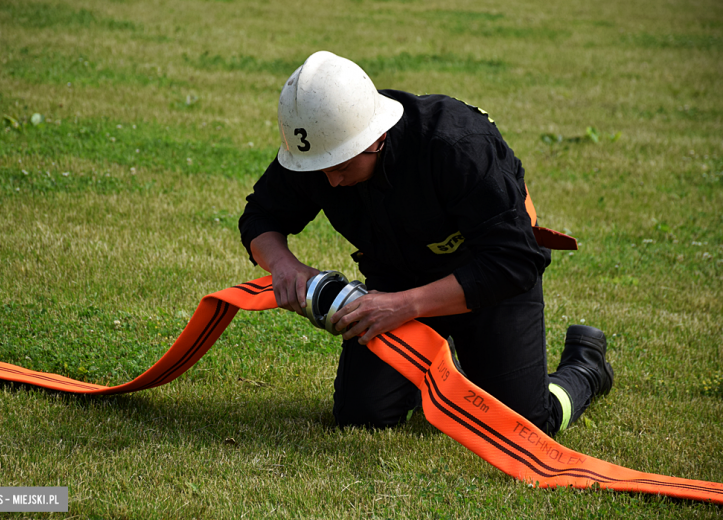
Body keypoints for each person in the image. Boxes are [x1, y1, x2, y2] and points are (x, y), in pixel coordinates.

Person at [238, 50, 613, 436]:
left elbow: (515, 261)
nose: (330, 181)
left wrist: (404, 306)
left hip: (489, 284)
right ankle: (441, 369)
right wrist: (283, 265)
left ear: (376, 136)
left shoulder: (457, 144)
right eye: (321, 170)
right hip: (397, 282)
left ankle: (585, 367)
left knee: (523, 425)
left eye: (342, 167)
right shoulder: (322, 146)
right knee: (361, 417)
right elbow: (259, 217)